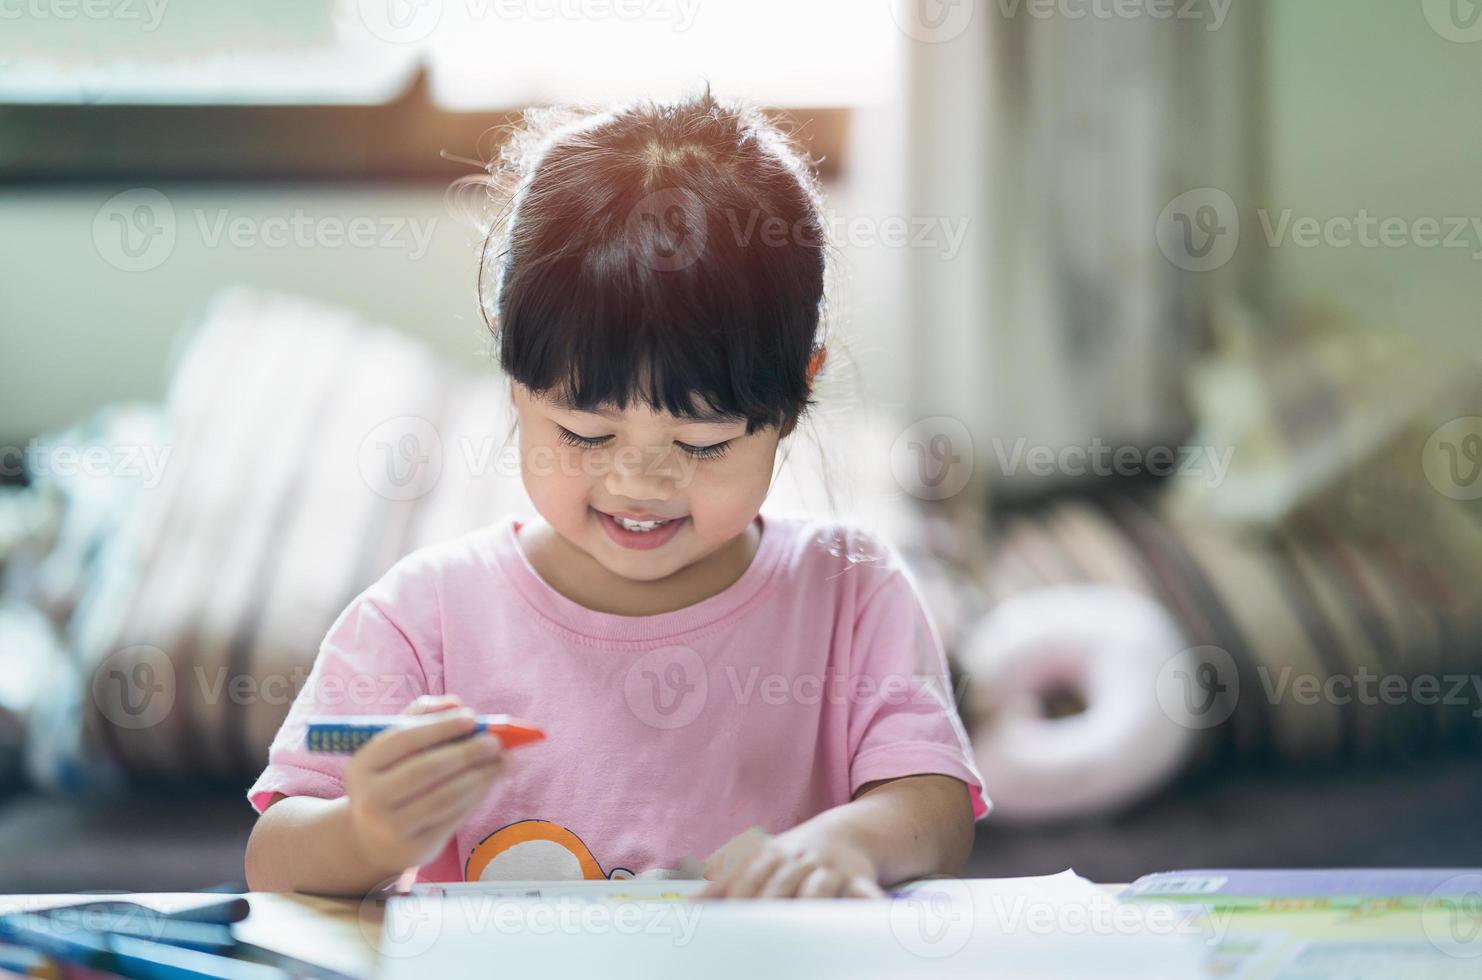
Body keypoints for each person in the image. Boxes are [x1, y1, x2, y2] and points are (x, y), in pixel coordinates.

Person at [243, 89, 986, 898]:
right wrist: (366, 834)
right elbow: (273, 856)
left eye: (702, 444)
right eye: (587, 436)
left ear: (798, 393)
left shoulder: (851, 591)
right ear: (513, 374)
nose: (639, 482)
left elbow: (934, 806)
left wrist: (849, 843)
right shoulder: (423, 619)